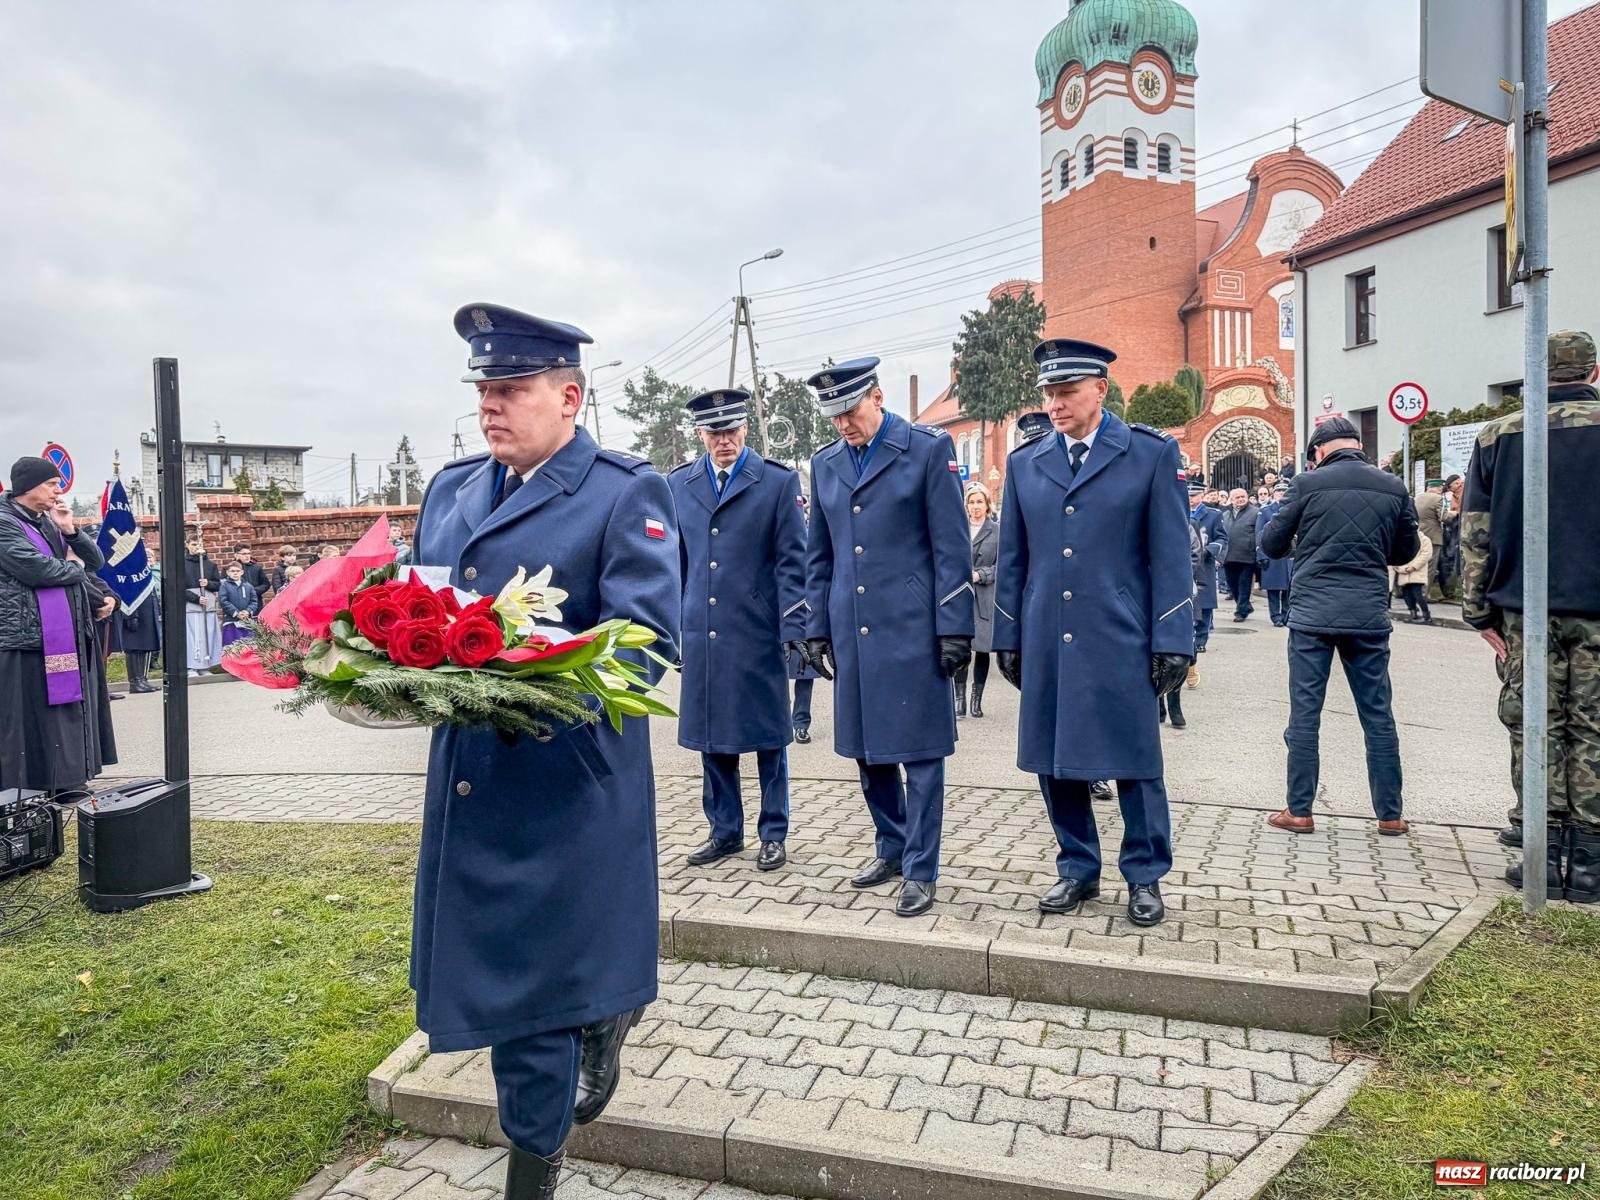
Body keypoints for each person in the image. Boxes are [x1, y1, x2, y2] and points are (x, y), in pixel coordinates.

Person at [410, 303, 682, 1196]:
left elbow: (645, 640)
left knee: (534, 1011)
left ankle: (533, 1173)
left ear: (570, 397)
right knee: (492, 986)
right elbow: (421, 609)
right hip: (470, 785)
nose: (491, 405)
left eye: (511, 389)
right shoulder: (449, 490)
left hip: (566, 792)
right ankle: (603, 1005)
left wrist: (519, 674)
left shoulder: (620, 490)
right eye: (484, 389)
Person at [992, 339, 1194, 927]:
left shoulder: (1147, 454)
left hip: (1119, 632)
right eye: (1048, 394)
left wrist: (1173, 639)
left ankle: (1145, 874)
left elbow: (1172, 555)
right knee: (1056, 760)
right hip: (1047, 634)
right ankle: (1078, 867)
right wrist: (1007, 636)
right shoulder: (1026, 462)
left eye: (1067, 392)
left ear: (1100, 390)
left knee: (1134, 759)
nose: (1055, 404)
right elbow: (1014, 556)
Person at [799, 356, 972, 918]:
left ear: (877, 396)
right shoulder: (825, 464)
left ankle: (921, 867)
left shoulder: (925, 449)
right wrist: (816, 628)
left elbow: (951, 547)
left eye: (850, 412)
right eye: (834, 418)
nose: (844, 426)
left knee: (919, 753)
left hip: (913, 628)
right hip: (854, 629)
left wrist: (954, 625)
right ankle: (891, 846)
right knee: (867, 750)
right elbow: (818, 555)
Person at [1461, 328, 1600, 903]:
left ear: (1538, 373)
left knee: (1533, 724)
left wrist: (1478, 611)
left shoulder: (1500, 435)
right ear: (1592, 373)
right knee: (1593, 726)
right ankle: (1590, 860)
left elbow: (1476, 532)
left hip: (1525, 609)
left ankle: (1542, 854)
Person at [1259, 416, 1419, 836]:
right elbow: (1406, 551)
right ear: (1357, 445)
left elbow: (1272, 544)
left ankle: (1299, 811)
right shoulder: (1392, 486)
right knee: (1378, 714)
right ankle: (1390, 815)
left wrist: (1305, 544)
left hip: (1312, 615)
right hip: (1368, 614)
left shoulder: (1306, 485)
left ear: (1318, 451)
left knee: (1305, 713)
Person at [669, 387, 807, 872]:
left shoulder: (774, 482)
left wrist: (796, 629)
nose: (723, 439)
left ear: (745, 428)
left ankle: (773, 832)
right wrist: (673, 625)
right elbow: (676, 563)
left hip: (758, 628)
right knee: (712, 738)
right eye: (713, 431)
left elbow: (794, 563)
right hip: (702, 631)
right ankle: (724, 831)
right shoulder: (679, 484)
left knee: (770, 736)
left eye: (730, 429)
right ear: (700, 434)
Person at [0, 457, 118, 794]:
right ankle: (30, 785)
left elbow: (96, 562)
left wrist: (70, 530)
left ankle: (66, 780)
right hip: (24, 636)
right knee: (31, 719)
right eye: (52, 483)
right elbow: (37, 570)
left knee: (62, 713)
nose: (58, 490)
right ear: (29, 487)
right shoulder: (4, 522)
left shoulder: (48, 522)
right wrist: (73, 568)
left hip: (61, 634)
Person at [955, 483, 998, 718]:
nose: (975, 507)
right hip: (961, 594)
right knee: (960, 646)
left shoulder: (997, 531)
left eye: (980, 502)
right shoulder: (958, 529)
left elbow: (1003, 564)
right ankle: (959, 700)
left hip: (984, 596)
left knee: (981, 649)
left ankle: (976, 700)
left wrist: (982, 574)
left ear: (987, 505)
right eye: (971, 502)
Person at [1188, 481, 1227, 669]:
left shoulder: (1213, 514)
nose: (1190, 499)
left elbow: (1222, 538)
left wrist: (1210, 550)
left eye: (1194, 495)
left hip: (1204, 562)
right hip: (1185, 560)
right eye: (1188, 495)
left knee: (1204, 601)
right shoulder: (1179, 511)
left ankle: (1201, 638)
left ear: (1202, 496)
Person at [182, 531, 222, 676]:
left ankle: (205, 665)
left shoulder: (210, 564)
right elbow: (179, 587)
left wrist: (208, 583)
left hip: (208, 604)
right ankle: (192, 666)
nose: (196, 547)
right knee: (194, 636)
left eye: (199, 544)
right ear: (187, 545)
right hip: (192, 605)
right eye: (193, 544)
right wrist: (196, 598)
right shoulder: (182, 563)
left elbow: (217, 584)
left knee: (208, 634)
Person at [1220, 487, 1260, 621]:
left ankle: (1241, 611)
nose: (1241, 499)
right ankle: (1245, 606)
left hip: (1247, 555)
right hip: (1228, 555)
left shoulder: (1255, 512)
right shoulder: (1225, 514)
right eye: (1237, 497)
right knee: (1232, 584)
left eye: (1243, 496)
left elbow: (1259, 533)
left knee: (1244, 584)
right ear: (1231, 500)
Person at [1256, 481, 1293, 626]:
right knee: (1273, 588)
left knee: (1288, 588)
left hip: (1289, 555)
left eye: (1284, 491)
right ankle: (1275, 616)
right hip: (1272, 554)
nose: (1282, 494)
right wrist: (1262, 555)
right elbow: (1259, 535)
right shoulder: (1265, 511)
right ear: (1274, 494)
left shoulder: (1293, 509)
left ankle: (1286, 614)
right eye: (1279, 492)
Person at [116, 579, 161, 694]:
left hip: (145, 613)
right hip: (135, 613)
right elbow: (127, 594)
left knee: (142, 647)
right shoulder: (129, 572)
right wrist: (131, 615)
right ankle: (135, 682)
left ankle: (141, 679)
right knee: (134, 648)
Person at [1413, 480, 1446, 601]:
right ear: (1438, 488)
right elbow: (1443, 517)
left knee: (1418, 564)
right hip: (1433, 537)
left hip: (1418, 535)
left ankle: (1414, 593)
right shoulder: (1438, 499)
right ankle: (1424, 594)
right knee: (1430, 566)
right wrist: (1455, 514)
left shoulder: (1417, 498)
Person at [217, 560, 261, 646]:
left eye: (237, 571)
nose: (235, 573)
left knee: (248, 647)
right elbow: (223, 601)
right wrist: (236, 613)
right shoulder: (224, 586)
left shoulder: (248, 586)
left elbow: (254, 601)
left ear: (242, 572)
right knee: (231, 647)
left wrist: (248, 611)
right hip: (231, 621)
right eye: (232, 571)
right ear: (228, 573)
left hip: (247, 621)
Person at [1393, 531, 1433, 624]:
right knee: (1407, 595)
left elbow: (1425, 555)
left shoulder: (1424, 539)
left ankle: (1426, 616)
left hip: (1417, 572)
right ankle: (1413, 614)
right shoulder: (1403, 538)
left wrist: (1414, 566)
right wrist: (1401, 568)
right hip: (1404, 571)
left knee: (1417, 594)